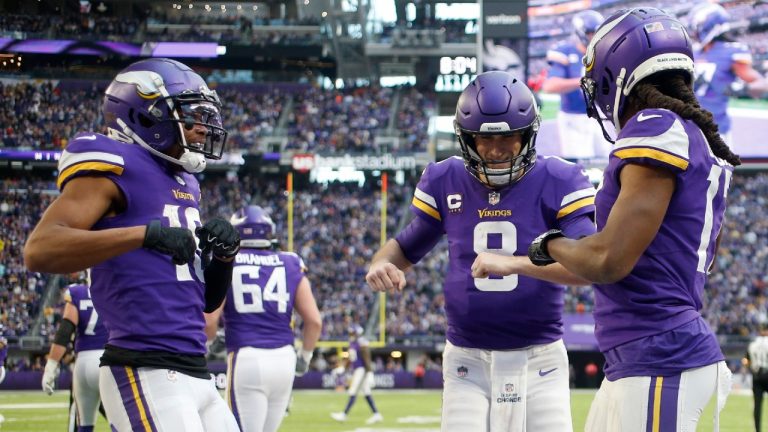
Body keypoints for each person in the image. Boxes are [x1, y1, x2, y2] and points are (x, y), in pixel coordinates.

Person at [513, 8, 736, 431]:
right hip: (646, 353)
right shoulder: (689, 134)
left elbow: (608, 261)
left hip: (660, 354)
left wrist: (547, 242)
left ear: (618, 75)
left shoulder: (655, 126)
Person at [366, 70, 597, 432]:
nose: (495, 150)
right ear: (466, 138)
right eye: (483, 139)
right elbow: (406, 244)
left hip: (541, 357)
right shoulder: (444, 179)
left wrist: (516, 265)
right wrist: (381, 264)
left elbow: (589, 265)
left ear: (528, 133)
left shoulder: (559, 178)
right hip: (466, 359)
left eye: (508, 137)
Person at [23, 58, 241, 432]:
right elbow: (39, 249)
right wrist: (144, 234)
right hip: (144, 366)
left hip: (195, 368)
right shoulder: (116, 160)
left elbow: (205, 301)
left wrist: (223, 257)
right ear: (145, 115)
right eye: (191, 116)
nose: (203, 129)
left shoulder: (186, 182)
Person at [204, 205, 322, 432]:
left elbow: (210, 321)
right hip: (284, 359)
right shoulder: (291, 261)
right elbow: (314, 321)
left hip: (247, 356)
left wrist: (209, 345)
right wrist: (304, 357)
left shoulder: (228, 262)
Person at [687, 3, 768, 145]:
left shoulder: (731, 51)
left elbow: (762, 84)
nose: (694, 31)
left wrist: (743, 89)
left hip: (714, 129)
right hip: (687, 124)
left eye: (697, 26)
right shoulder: (695, 51)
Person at [542, 10, 611, 159]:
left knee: (609, 160)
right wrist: (582, 81)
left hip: (601, 116)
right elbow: (549, 86)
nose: (594, 37)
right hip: (574, 118)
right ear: (580, 33)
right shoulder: (566, 52)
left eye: (597, 33)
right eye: (590, 33)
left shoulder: (604, 53)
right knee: (581, 164)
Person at [42, 282, 108, 432]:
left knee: (83, 425)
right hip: (108, 360)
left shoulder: (77, 292)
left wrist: (51, 365)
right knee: (123, 422)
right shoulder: (114, 288)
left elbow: (64, 332)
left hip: (83, 364)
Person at [330, 324, 383, 425]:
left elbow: (367, 358)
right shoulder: (352, 343)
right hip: (357, 369)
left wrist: (370, 372)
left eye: (352, 332)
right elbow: (351, 359)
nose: (351, 334)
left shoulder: (361, 342)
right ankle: (376, 414)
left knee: (353, 390)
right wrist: (343, 368)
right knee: (366, 392)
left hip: (362, 369)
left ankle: (344, 414)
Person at [748, 325, 768, 432]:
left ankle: (758, 430)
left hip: (757, 376)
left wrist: (752, 370)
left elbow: (747, 360)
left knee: (757, 406)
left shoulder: (753, 343)